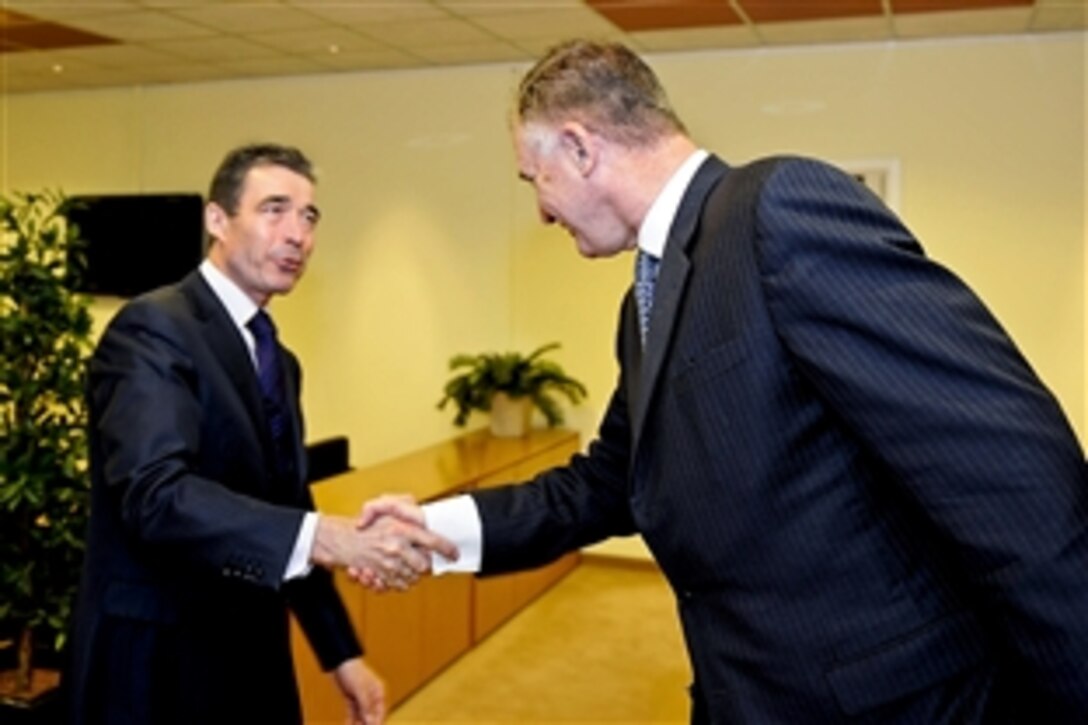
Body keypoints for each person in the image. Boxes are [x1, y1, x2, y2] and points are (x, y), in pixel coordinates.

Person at [365, 40, 1088, 723]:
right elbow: (606, 484)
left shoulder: (775, 209)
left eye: (536, 178)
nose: (541, 210)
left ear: (582, 148)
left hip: (888, 702)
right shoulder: (644, 302)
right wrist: (431, 527)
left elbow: (1008, 465)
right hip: (752, 693)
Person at [66, 143, 456, 725]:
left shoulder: (278, 359)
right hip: (156, 665)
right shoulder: (153, 328)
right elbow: (156, 495)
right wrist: (327, 537)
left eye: (309, 216)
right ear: (217, 220)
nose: (297, 234)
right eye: (274, 209)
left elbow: (285, 508)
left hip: (248, 655)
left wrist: (341, 653)